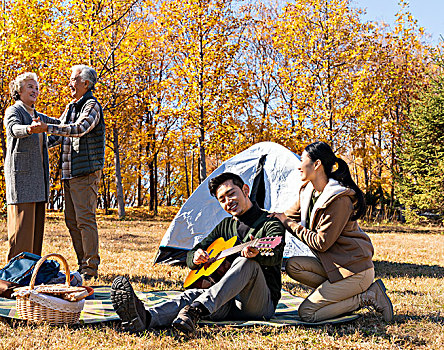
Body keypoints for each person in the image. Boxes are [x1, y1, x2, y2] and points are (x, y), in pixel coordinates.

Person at [110, 172, 286, 335]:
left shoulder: (270, 223)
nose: (228, 201)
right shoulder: (225, 226)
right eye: (222, 199)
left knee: (246, 262)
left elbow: (276, 255)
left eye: (231, 193)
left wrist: (257, 255)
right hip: (222, 301)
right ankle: (145, 318)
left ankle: (195, 310)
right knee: (190, 295)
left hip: (258, 305)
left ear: (245, 190)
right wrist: (196, 257)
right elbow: (193, 253)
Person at [270, 141, 393, 323]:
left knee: (308, 313)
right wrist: (260, 218)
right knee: (292, 266)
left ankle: (367, 296)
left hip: (355, 271)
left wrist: (288, 223)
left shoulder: (338, 199)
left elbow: (321, 242)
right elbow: (286, 215)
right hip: (335, 266)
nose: (298, 166)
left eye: (302, 160)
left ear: (317, 164)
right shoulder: (308, 192)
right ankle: (340, 294)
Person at [29, 64, 105, 283]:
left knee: (85, 220)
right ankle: (83, 265)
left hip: (85, 172)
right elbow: (60, 134)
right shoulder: (71, 105)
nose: (69, 83)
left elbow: (78, 129)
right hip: (69, 173)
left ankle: (90, 268)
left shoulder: (91, 106)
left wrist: (47, 128)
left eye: (73, 79)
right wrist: (35, 142)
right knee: (72, 221)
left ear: (85, 83)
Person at [4, 72, 60, 261]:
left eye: (36, 87)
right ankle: (14, 274)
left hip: (39, 181)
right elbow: (13, 129)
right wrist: (28, 129)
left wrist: (53, 135)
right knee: (21, 233)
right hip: (21, 180)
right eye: (30, 86)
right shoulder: (14, 111)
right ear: (19, 91)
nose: (35, 90)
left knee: (36, 235)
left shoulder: (39, 116)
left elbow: (60, 127)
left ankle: (32, 273)